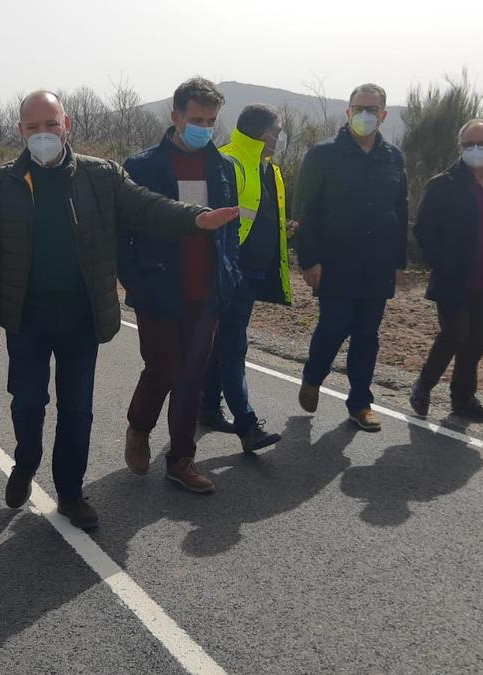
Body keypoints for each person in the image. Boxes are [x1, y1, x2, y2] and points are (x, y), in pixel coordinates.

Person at [0, 91, 239, 530]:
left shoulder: (100, 175)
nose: (43, 135)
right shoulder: (3, 183)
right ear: (20, 131)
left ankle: (71, 493)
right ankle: (26, 460)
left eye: (51, 124)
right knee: (29, 401)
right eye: (33, 127)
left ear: (67, 124)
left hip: (81, 317)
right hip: (28, 318)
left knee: (78, 410)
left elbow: (147, 207)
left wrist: (194, 218)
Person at [118, 77, 241, 493]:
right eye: (196, 119)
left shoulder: (223, 167)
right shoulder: (141, 166)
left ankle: (181, 459)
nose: (204, 127)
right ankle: (139, 427)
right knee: (164, 368)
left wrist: (229, 273)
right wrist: (133, 279)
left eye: (210, 120)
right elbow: (124, 232)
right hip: (158, 289)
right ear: (175, 117)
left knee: (192, 376)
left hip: (206, 293)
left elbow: (230, 229)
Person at [293, 83, 409, 432]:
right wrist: (309, 259)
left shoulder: (393, 157)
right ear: (348, 112)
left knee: (367, 335)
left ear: (383, 115)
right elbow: (304, 211)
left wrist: (399, 263)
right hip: (335, 261)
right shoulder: (323, 154)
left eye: (372, 110)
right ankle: (313, 376)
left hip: (377, 264)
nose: (364, 115)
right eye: (358, 108)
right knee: (335, 325)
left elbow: (400, 210)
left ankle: (360, 402)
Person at [410, 119, 483, 421]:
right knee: (455, 333)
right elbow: (423, 230)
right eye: (468, 144)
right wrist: (443, 262)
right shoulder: (444, 184)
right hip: (453, 277)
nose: (474, 149)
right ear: (460, 147)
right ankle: (423, 386)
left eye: (481, 143)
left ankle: (463, 399)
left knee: (478, 338)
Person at [199, 104, 291, 452]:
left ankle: (207, 407)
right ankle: (247, 425)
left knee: (222, 343)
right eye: (277, 131)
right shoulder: (229, 162)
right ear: (264, 133)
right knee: (233, 346)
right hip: (229, 274)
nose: (279, 137)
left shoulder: (270, 169)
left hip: (253, 273)